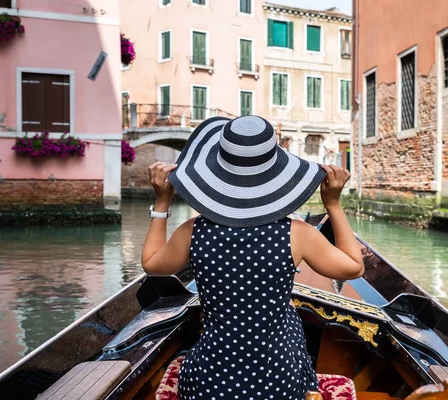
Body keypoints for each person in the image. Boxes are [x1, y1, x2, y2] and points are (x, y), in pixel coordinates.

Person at [141, 116, 364, 400]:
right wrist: (332, 202)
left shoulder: (192, 231)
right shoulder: (299, 234)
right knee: (290, 319)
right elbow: (355, 266)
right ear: (277, 172)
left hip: (208, 385)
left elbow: (151, 264)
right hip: (278, 385)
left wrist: (162, 201)